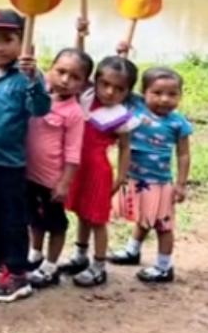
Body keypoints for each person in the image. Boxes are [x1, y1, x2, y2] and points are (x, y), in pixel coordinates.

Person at [0, 8, 51, 303]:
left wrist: (34, 79)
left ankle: (17, 271)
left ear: (23, 41)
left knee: (13, 217)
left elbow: (40, 109)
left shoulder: (26, 78)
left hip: (8, 163)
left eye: (8, 39)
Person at [59, 55, 139, 287]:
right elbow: (78, 61)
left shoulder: (121, 116)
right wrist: (81, 34)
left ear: (128, 91)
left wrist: (122, 176)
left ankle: (99, 266)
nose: (110, 92)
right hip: (77, 168)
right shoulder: (86, 97)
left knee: (97, 219)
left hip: (97, 172)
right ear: (95, 81)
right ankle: (80, 256)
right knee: (82, 214)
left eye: (119, 88)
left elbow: (125, 147)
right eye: (105, 84)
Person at [111, 66, 193, 283]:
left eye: (172, 94)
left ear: (180, 96)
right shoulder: (136, 105)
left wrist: (181, 184)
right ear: (143, 92)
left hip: (160, 183)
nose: (164, 99)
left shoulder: (178, 123)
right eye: (157, 93)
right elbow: (121, 81)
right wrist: (123, 53)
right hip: (135, 178)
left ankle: (164, 267)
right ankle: (132, 251)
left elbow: (183, 155)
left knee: (163, 225)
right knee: (144, 217)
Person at [24, 48, 91, 289]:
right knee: (34, 219)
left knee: (55, 224)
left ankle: (51, 267)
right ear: (49, 69)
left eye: (74, 77)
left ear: (83, 84)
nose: (65, 80)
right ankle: (36, 254)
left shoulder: (74, 113)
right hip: (28, 175)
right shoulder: (37, 97)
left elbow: (73, 153)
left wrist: (64, 183)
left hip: (52, 181)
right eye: (61, 72)